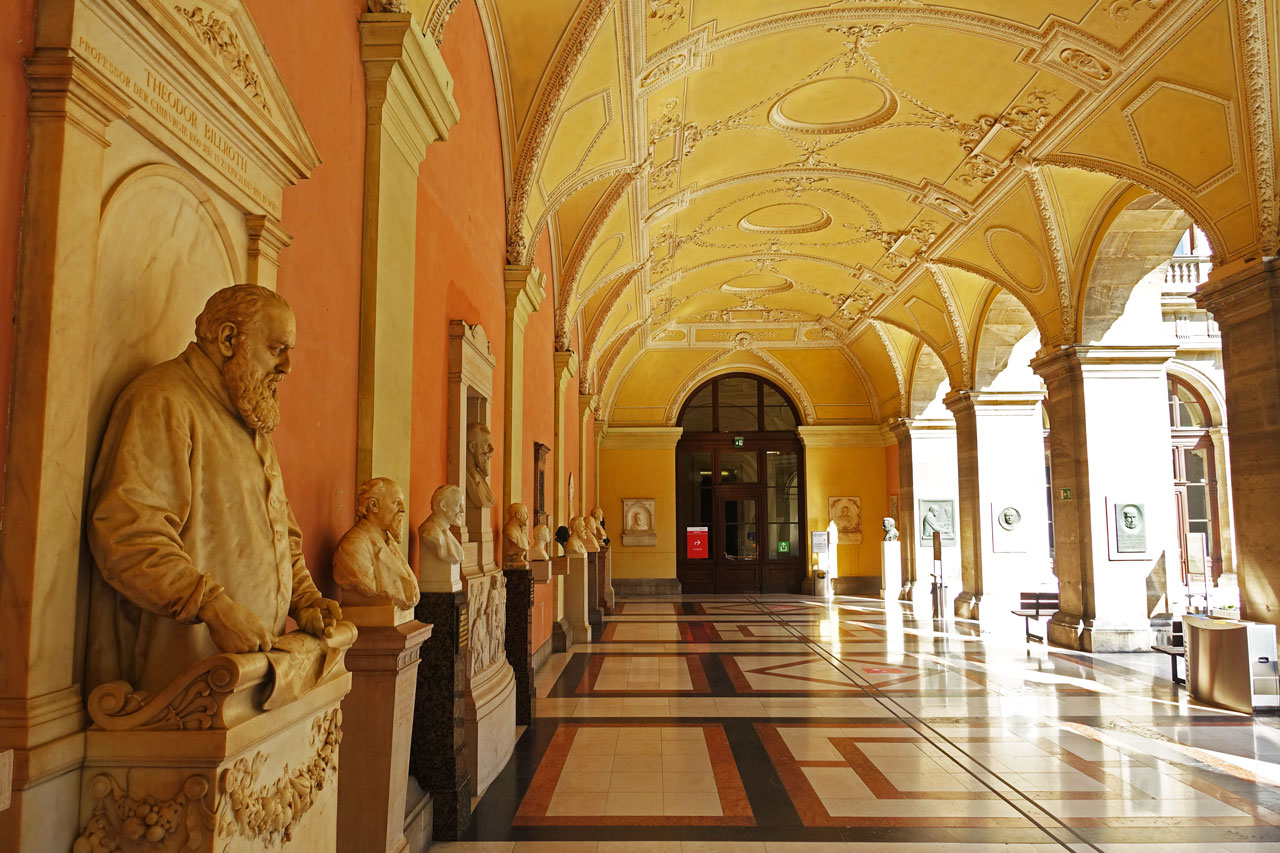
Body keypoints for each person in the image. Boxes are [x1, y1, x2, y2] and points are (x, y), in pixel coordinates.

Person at [87, 285, 341, 694]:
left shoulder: (249, 420)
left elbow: (282, 534)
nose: (288, 366)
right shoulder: (164, 400)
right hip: (184, 688)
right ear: (227, 340)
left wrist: (306, 600)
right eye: (277, 349)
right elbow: (128, 535)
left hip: (253, 681)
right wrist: (214, 608)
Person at [333, 477, 418, 609]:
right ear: (374, 506)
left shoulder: (388, 542)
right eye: (396, 502)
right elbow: (371, 594)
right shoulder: (353, 546)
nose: (403, 509)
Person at [466, 422, 495, 508]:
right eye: (487, 445)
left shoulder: (479, 477)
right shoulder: (468, 478)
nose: (492, 449)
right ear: (472, 447)